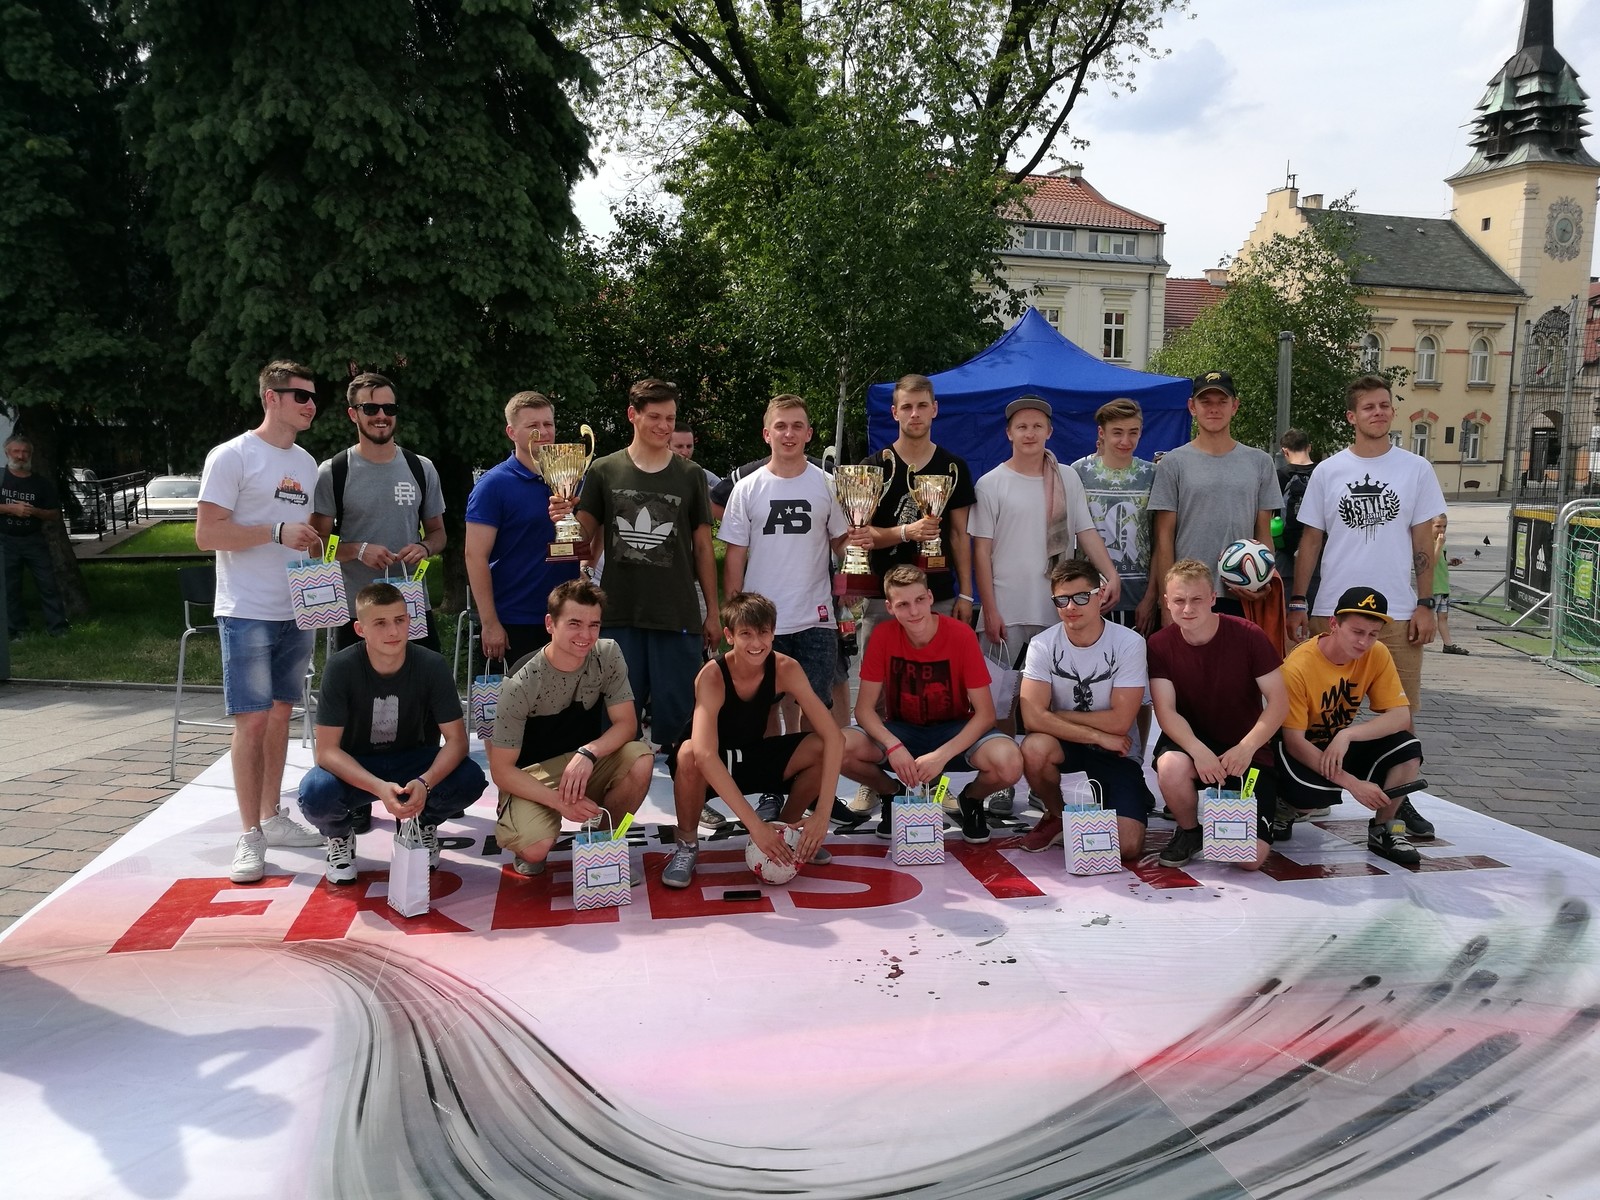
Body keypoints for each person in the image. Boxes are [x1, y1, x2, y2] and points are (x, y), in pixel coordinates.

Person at [195, 359, 328, 884]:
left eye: (314, 396)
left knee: (279, 716)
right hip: (247, 608)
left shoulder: (307, 462)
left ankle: (272, 817)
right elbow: (207, 534)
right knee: (251, 721)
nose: (311, 404)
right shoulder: (232, 455)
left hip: (297, 607)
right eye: (301, 395)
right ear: (271, 397)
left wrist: (316, 557)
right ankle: (249, 833)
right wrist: (274, 532)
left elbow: (305, 534)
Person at [1287, 375, 1444, 739]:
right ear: (1351, 417)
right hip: (1333, 609)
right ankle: (1314, 776)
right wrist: (1298, 601)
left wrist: (1426, 604)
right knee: (1317, 716)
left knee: (1401, 718)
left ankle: (1398, 777)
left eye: (1384, 405)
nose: (1378, 412)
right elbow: (1310, 541)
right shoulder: (1328, 471)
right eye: (1369, 407)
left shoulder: (1416, 469)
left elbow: (1423, 541)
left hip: (1398, 613)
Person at [565, 378, 719, 748]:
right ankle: (622, 786)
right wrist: (562, 516)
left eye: (670, 418)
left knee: (683, 730)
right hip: (620, 615)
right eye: (655, 417)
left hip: (676, 615)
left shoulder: (691, 475)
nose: (664, 426)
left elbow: (703, 548)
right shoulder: (604, 470)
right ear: (632, 415)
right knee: (618, 727)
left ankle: (687, 785)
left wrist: (713, 612)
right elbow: (580, 541)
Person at [298, 583, 487, 883]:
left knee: (470, 778)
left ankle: (422, 823)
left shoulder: (431, 664)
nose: (393, 631)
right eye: (381, 623)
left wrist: (425, 782)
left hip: (412, 761)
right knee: (315, 794)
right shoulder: (340, 667)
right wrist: (377, 787)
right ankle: (340, 835)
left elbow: (457, 741)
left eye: (400, 620)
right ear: (360, 629)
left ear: (410, 620)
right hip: (357, 764)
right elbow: (327, 751)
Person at [660, 592, 844, 889]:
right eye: (746, 634)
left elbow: (834, 737)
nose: (756, 643)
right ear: (729, 636)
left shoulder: (785, 667)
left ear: (773, 633)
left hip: (751, 753)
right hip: (712, 764)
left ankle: (788, 834)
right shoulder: (712, 676)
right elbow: (706, 755)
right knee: (689, 752)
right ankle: (687, 844)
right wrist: (755, 827)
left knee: (821, 747)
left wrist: (822, 814)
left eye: (763, 633)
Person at [841, 565, 1023, 844]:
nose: (914, 611)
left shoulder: (960, 635)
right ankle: (892, 793)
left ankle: (971, 799)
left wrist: (940, 756)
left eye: (919, 600)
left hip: (953, 730)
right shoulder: (883, 635)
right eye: (903, 604)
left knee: (1009, 762)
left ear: (930, 597)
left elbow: (985, 714)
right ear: (889, 607)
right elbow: (864, 709)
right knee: (838, 747)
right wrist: (893, 746)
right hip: (902, 731)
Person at [488, 579, 654, 876]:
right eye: (574, 624)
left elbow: (627, 724)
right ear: (550, 624)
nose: (586, 635)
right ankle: (519, 819)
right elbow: (501, 770)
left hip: (584, 763)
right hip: (533, 773)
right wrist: (559, 803)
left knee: (641, 759)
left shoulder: (608, 653)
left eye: (594, 625)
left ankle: (604, 844)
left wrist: (589, 752)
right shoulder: (521, 681)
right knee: (535, 848)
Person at [972, 395, 1121, 723]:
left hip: (1059, 607)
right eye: (1022, 427)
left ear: (1049, 432)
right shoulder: (990, 484)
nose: (1030, 433)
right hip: (1006, 610)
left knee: (1057, 702)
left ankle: (1049, 757)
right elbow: (981, 552)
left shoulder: (1067, 478)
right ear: (1009, 433)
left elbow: (1085, 531)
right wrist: (990, 609)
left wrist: (1111, 575)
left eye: (1037, 426)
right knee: (999, 704)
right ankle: (1001, 755)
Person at [1147, 559, 1288, 870]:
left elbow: (1279, 703)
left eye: (1197, 599)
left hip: (1245, 748)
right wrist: (1198, 750)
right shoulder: (1158, 644)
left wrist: (1246, 747)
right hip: (1192, 743)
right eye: (1179, 600)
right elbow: (1165, 711)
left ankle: (1265, 809)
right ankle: (1189, 831)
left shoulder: (1249, 635)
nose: (1187, 609)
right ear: (1167, 601)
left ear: (1213, 598)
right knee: (1170, 765)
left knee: (1249, 860)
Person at [1276, 587, 1430, 865]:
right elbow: (1294, 742)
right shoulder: (1297, 667)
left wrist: (1348, 734)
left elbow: (1400, 717)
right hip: (1299, 746)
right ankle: (1284, 806)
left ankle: (1384, 827)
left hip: (1336, 741)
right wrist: (1353, 784)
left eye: (1373, 634)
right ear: (1334, 624)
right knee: (1312, 796)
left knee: (1408, 747)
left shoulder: (1377, 653)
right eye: (1357, 632)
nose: (1364, 642)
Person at [719, 395, 848, 717]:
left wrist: (856, 568)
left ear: (809, 433)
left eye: (797, 426)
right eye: (780, 426)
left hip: (815, 618)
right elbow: (734, 556)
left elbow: (841, 542)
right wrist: (734, 614)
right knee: (760, 711)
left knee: (815, 709)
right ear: (767, 434)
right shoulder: (747, 488)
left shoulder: (829, 485)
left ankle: (809, 755)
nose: (788, 434)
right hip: (760, 620)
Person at [1017, 560, 1154, 858]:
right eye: (1061, 600)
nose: (1070, 607)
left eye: (1081, 597)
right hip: (1079, 743)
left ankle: (1123, 798)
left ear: (1100, 595)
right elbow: (1031, 718)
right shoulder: (1042, 644)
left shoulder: (1129, 642)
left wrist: (1056, 715)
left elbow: (1120, 722)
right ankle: (1056, 815)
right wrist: (1098, 735)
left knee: (1128, 846)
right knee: (1034, 748)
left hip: (1117, 750)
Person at [311, 373, 446, 651]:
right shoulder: (334, 471)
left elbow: (438, 533)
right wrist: (358, 550)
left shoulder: (421, 468)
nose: (381, 416)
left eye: (389, 408)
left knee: (425, 679)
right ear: (353, 414)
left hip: (410, 608)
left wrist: (424, 547)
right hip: (357, 612)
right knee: (358, 681)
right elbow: (316, 547)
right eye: (371, 408)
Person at [847, 374, 977, 648]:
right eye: (907, 407)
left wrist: (966, 594)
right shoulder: (874, 467)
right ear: (895, 412)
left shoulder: (953, 467)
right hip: (884, 598)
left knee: (938, 671)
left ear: (934, 409)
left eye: (922, 405)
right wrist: (907, 532)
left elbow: (959, 535)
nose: (915, 414)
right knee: (879, 673)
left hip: (937, 594)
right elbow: (862, 534)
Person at [1148, 371, 1280, 619]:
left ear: (1235, 406)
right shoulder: (1173, 463)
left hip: (1240, 591)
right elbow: (1164, 536)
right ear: (1192, 407)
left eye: (1222, 402)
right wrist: (1167, 602)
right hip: (1188, 594)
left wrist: (1263, 579)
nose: (1214, 409)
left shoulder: (1260, 462)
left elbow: (1264, 533)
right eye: (1205, 402)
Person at [465, 391, 582, 669]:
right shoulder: (493, 485)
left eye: (548, 424)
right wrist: (490, 623)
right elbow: (474, 556)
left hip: (568, 616)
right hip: (515, 620)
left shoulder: (574, 479)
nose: (544, 432)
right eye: (533, 426)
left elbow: (584, 547)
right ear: (512, 433)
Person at [1071, 398, 1158, 633]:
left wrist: (1151, 598)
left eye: (1133, 432)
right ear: (1102, 433)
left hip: (1139, 598)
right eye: (1117, 432)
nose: (1125, 441)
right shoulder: (1078, 473)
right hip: (1089, 596)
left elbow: (1160, 541)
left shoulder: (1152, 474)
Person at [1, 435, 67, 640]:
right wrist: (10, 509)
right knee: (9, 587)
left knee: (48, 583)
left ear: (31, 455)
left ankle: (58, 628)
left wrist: (34, 512)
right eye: (16, 451)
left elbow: (54, 514)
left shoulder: (41, 483)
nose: (21, 456)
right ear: (7, 453)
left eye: (25, 452)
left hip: (33, 539)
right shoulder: (1, 478)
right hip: (5, 539)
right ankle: (15, 630)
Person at [1433, 514, 1469, 655]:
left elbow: (1439, 562)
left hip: (1442, 586)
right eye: (1438, 526)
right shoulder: (1428, 542)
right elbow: (1430, 563)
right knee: (1428, 617)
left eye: (1445, 526)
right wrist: (1438, 545)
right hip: (1432, 587)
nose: (1442, 530)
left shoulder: (1441, 543)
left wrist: (1449, 562)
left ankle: (1448, 644)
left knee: (1443, 617)